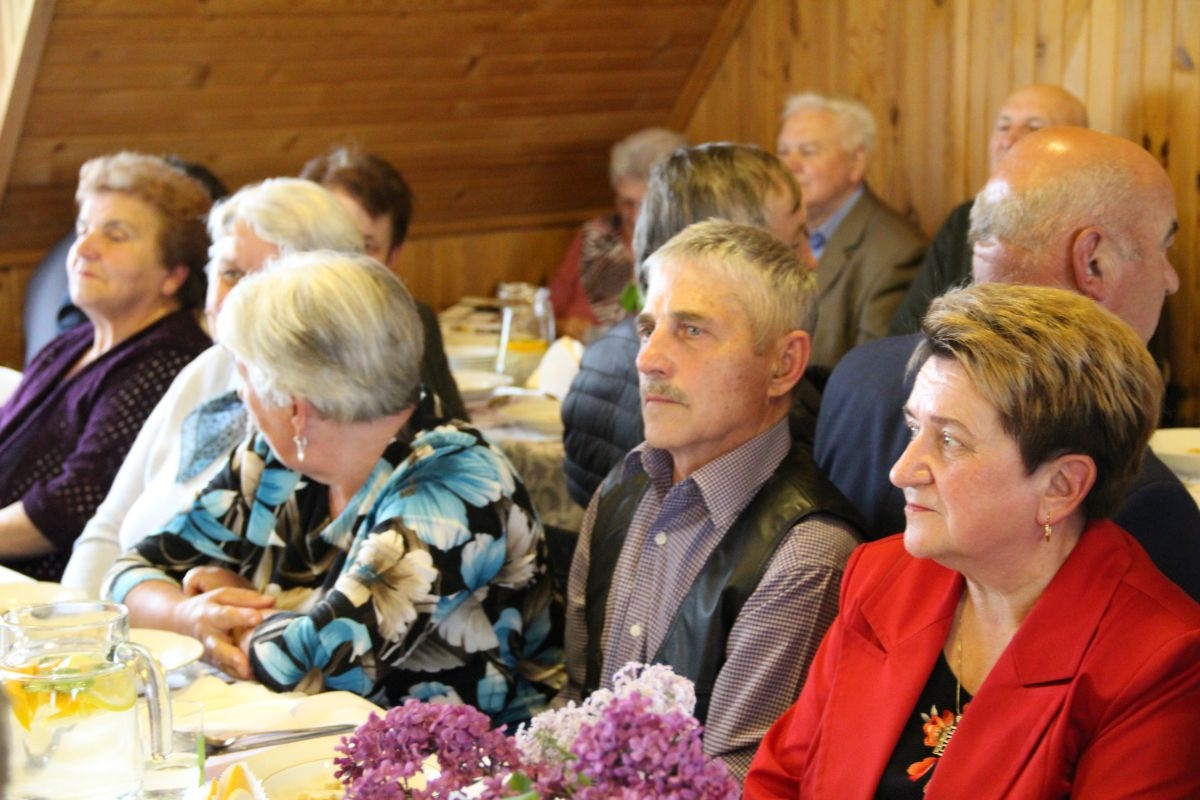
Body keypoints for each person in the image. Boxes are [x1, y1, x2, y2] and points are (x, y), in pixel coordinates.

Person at [745, 283, 1200, 799]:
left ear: (1061, 486)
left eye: (949, 441)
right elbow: (779, 780)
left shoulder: (1156, 665)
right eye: (913, 427)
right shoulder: (880, 575)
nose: (901, 471)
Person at [103, 252, 561, 722]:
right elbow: (128, 576)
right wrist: (193, 617)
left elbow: (320, 660)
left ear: (295, 407)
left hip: (462, 760)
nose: (241, 393)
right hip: (300, 742)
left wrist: (233, 613)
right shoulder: (274, 460)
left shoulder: (455, 486)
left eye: (244, 375)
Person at [812, 126, 1200, 602]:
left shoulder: (858, 373)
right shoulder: (1132, 490)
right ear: (1093, 262)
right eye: (1164, 248)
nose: (1171, 279)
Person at [561, 219, 862, 780]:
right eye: (648, 328)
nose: (648, 359)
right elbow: (576, 703)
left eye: (692, 331)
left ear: (783, 365)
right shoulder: (622, 488)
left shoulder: (805, 552)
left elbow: (733, 783)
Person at [61, 178, 364, 596]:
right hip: (119, 618)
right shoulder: (207, 369)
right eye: (230, 274)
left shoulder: (324, 415)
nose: (238, 300)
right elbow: (108, 526)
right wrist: (76, 617)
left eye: (266, 282)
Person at [562, 142, 819, 508]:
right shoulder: (769, 404)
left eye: (692, 331)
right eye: (792, 245)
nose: (810, 261)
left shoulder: (599, 357)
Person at [0, 152, 212, 581]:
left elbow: (70, 506)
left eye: (115, 236)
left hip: (49, 592)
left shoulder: (166, 362)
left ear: (172, 275)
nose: (84, 248)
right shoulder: (73, 343)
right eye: (83, 229)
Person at [888, 84, 1088, 334]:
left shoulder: (1087, 226)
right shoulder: (963, 220)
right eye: (1003, 127)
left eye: (1033, 127)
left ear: (1077, 145)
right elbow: (908, 329)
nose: (1008, 140)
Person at [299, 145, 467, 421]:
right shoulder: (281, 334)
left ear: (393, 257)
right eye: (334, 238)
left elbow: (456, 429)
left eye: (367, 245)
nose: (346, 258)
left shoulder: (414, 322)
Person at [776, 92, 925, 370]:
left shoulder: (896, 252)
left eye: (808, 152)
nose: (789, 166)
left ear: (856, 162)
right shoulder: (776, 231)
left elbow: (871, 373)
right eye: (783, 152)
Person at [548, 126, 687, 342]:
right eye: (627, 203)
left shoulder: (688, 252)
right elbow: (548, 313)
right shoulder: (594, 237)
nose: (635, 216)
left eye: (648, 205)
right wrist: (565, 326)